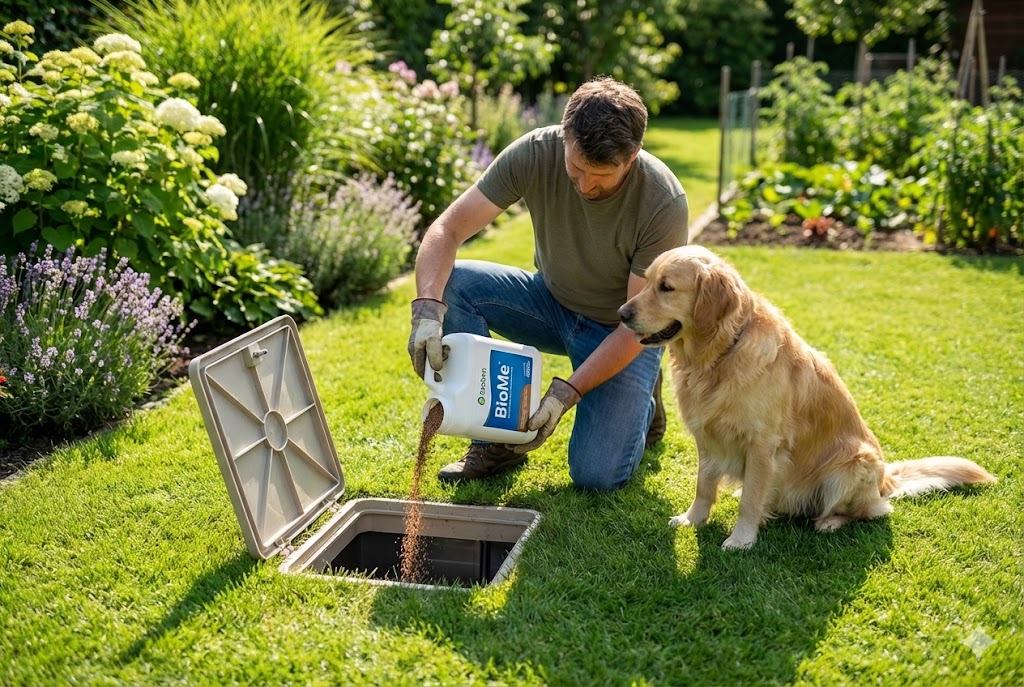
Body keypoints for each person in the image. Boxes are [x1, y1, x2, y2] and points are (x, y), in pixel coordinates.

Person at [408, 76, 689, 491]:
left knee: (597, 476)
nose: (585, 185)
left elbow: (635, 326)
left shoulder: (662, 201)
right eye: (576, 168)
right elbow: (447, 230)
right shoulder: (534, 153)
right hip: (550, 302)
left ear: (633, 158)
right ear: (564, 136)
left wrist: (566, 393)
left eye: (602, 176)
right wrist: (428, 310)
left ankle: (643, 399)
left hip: (622, 329)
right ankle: (494, 443)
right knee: (455, 285)